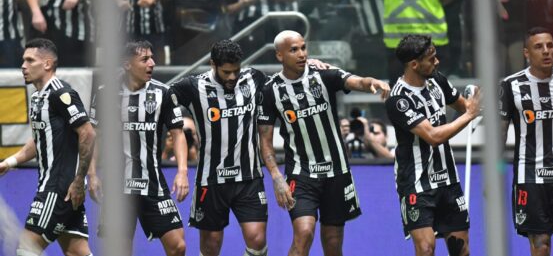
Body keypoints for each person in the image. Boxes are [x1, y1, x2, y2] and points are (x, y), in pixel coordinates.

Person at [257, 30, 390, 256]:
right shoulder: (270, 91)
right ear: (279, 56)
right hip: (301, 174)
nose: (301, 54)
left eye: (303, 48)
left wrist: (372, 82)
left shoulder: (324, 74)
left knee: (333, 242)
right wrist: (276, 177)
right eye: (294, 50)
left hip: (337, 172)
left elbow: (355, 81)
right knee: (304, 232)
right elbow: (266, 141)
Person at [170, 39, 271, 256]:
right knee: (211, 245)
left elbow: (283, 85)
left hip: (249, 177)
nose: (232, 77)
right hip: (211, 180)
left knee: (258, 239)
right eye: (226, 72)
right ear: (212, 64)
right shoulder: (193, 85)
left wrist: (315, 66)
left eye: (236, 70)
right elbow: (161, 98)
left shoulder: (254, 78)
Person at [89, 40, 189, 256]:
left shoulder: (163, 92)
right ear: (127, 64)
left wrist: (182, 172)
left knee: (178, 246)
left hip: (153, 183)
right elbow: (95, 136)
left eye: (152, 57)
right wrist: (91, 173)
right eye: (145, 59)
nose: (152, 63)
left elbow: (178, 133)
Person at [385, 34, 480, 256]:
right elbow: (433, 136)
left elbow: (463, 106)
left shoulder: (437, 80)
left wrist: (475, 105)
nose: (437, 62)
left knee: (461, 249)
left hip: (448, 180)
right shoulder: (398, 100)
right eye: (431, 58)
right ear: (414, 64)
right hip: (416, 183)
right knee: (426, 248)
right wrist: (469, 116)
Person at [0, 38, 96, 256]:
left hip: (59, 187)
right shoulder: (37, 98)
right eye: (23, 60)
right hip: (59, 187)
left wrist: (79, 180)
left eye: (29, 60)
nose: (23, 66)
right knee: (76, 251)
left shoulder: (61, 93)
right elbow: (39, 139)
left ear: (47, 64)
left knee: (26, 248)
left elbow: (87, 132)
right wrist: (9, 162)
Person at [499, 27, 553, 256]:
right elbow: (499, 134)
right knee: (541, 246)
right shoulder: (510, 86)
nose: (547, 51)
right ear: (526, 53)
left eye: (550, 45)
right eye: (539, 47)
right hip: (529, 178)